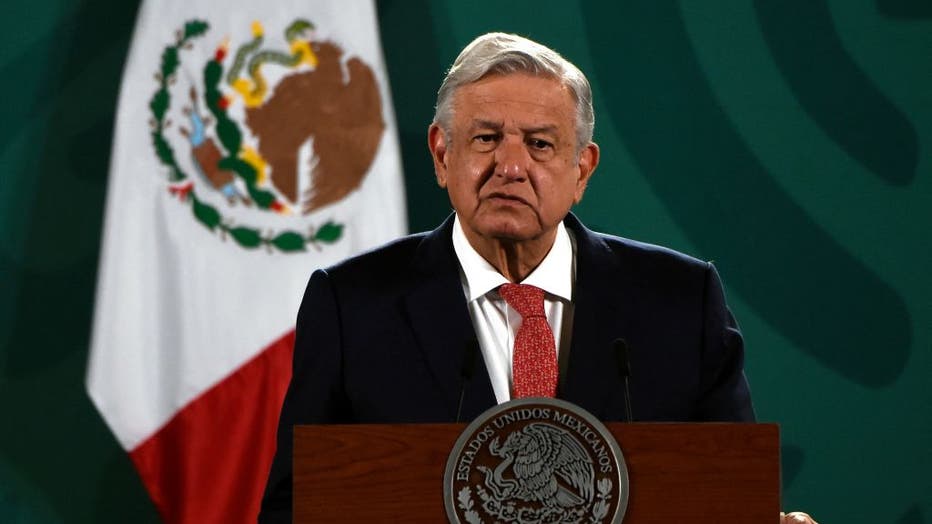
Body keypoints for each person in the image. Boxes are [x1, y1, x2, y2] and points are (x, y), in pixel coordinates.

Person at [259, 32, 817, 524]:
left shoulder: (679, 302)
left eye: (540, 143)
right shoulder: (354, 306)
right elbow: (295, 509)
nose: (511, 165)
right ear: (440, 154)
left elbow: (731, 499)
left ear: (582, 169)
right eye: (485, 139)